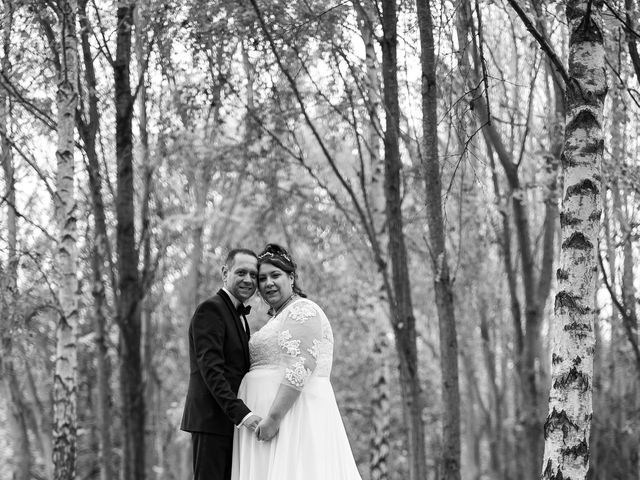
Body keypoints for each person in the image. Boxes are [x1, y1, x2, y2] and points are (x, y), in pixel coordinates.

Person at [230, 243, 362, 480]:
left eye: (276, 275)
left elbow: (301, 365)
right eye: (262, 278)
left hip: (292, 419)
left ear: (291, 278)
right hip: (271, 424)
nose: (268, 282)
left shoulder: (303, 310)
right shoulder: (278, 318)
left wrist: (273, 418)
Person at [181, 248, 262, 480]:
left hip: (229, 424)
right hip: (211, 422)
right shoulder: (211, 309)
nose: (248, 279)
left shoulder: (239, 316)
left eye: (253, 275)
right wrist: (242, 414)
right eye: (241, 272)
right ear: (225, 272)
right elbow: (211, 370)